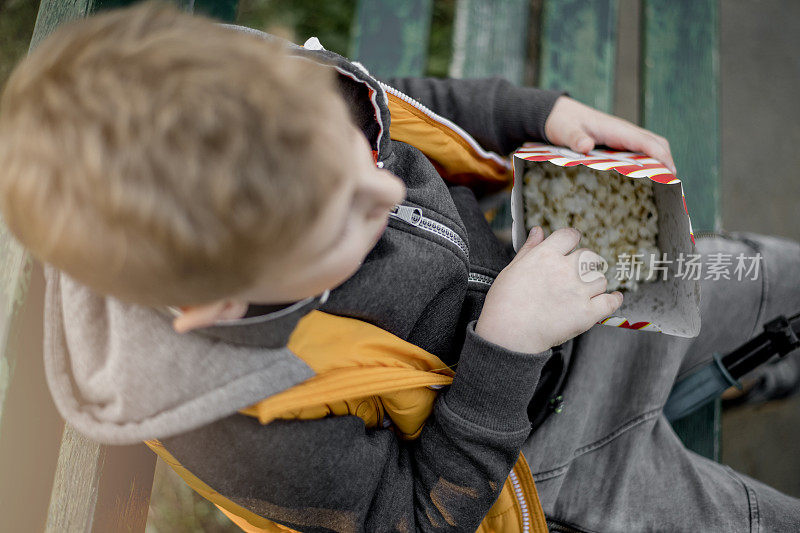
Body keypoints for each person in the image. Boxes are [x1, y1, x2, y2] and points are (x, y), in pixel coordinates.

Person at [0, 3, 797, 531]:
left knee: (766, 279)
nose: (387, 185)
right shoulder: (243, 419)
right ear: (219, 303)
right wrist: (506, 344)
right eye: (341, 219)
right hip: (543, 463)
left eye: (358, 154)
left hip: (565, 290)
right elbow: (416, 516)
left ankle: (761, 370)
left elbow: (402, 103)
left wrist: (536, 115)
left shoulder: (263, 110)